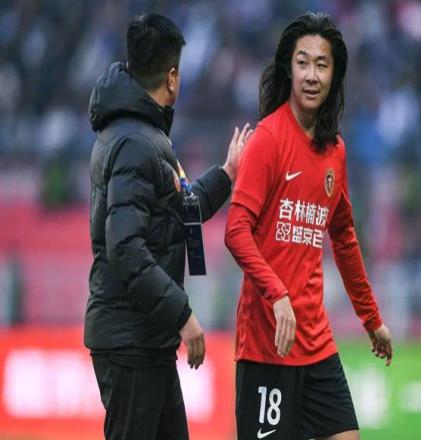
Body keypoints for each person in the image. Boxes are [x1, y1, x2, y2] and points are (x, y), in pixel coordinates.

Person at [225, 12, 393, 440]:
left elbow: (345, 239)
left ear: (335, 75)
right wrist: (277, 293)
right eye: (303, 63)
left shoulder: (335, 151)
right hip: (268, 344)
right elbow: (236, 231)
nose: (311, 75)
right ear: (289, 69)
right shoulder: (268, 140)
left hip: (316, 344)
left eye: (322, 64)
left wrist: (371, 318)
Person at [84, 13, 250, 440]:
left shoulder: (139, 136)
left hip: (147, 340)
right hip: (132, 342)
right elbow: (126, 247)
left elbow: (178, 211)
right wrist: (183, 315)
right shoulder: (136, 143)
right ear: (172, 77)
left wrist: (227, 173)